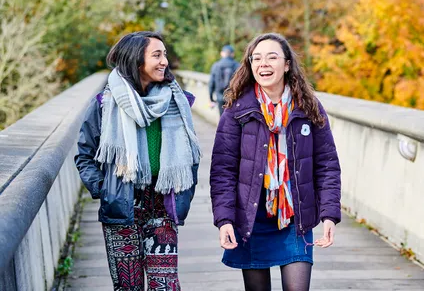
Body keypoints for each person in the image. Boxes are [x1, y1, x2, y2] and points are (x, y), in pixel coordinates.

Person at [210, 32, 342, 291]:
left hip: (295, 216)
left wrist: (329, 215)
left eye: (272, 57)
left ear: (287, 64)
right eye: (256, 58)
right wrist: (224, 219)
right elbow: (222, 171)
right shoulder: (237, 110)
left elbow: (327, 165)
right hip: (251, 218)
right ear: (249, 65)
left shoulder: (308, 108)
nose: (263, 64)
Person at [75, 31, 202, 290]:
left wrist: (184, 192)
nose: (164, 61)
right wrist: (105, 189)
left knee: (165, 285)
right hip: (122, 206)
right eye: (157, 55)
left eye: (164, 54)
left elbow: (191, 154)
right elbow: (84, 155)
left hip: (162, 204)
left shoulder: (177, 101)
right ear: (136, 60)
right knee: (128, 287)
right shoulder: (105, 104)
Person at [209, 44, 240, 116]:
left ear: (222, 53)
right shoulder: (237, 66)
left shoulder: (216, 65)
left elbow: (211, 84)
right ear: (232, 54)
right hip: (233, 98)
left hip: (220, 97)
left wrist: (211, 98)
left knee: (222, 117)